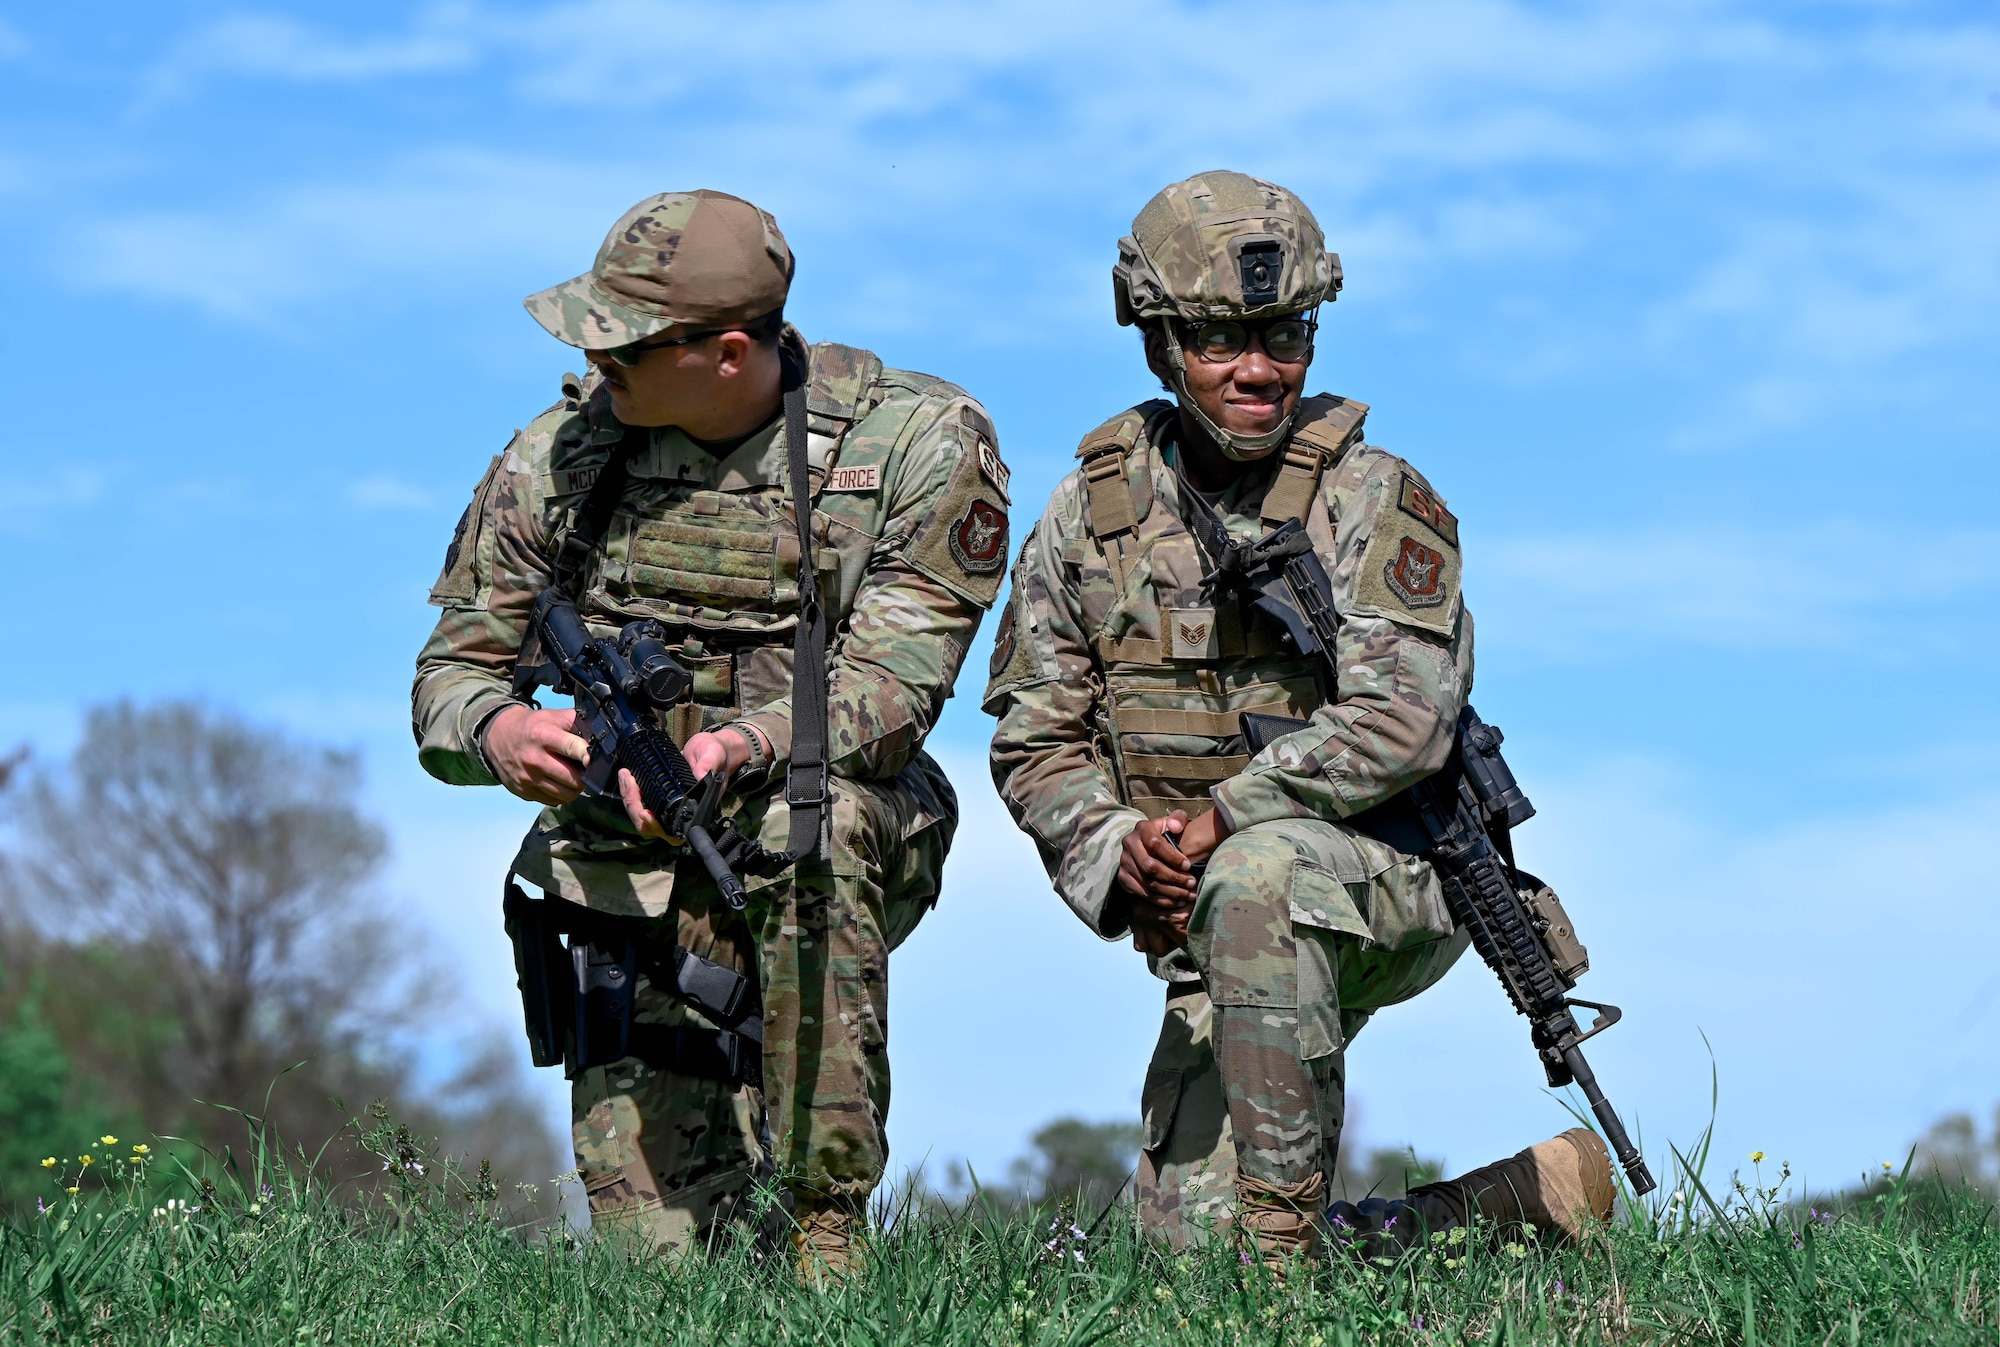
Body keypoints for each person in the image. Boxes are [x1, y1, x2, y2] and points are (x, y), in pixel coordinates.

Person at [983, 170, 1612, 1274]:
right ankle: (1520, 1202)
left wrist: (1217, 822)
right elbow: (1035, 735)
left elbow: (1400, 722)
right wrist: (1114, 849)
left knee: (1260, 875)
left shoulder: (1374, 496)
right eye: (1222, 340)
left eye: (1283, 333)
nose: (1260, 369)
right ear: (1156, 342)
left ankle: (1279, 1282)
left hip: (1391, 872)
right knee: (1184, 1268)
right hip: (1210, 902)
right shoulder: (1088, 515)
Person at [413, 190, 1009, 1276]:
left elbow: (893, 683)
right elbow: (450, 676)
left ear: (726, 352)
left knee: (805, 831)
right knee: (664, 1278)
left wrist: (739, 746)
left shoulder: (917, 441)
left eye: (624, 343)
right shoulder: (560, 456)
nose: (597, 362)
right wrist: (498, 732)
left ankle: (830, 1238)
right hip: (625, 868)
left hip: (830, 821)